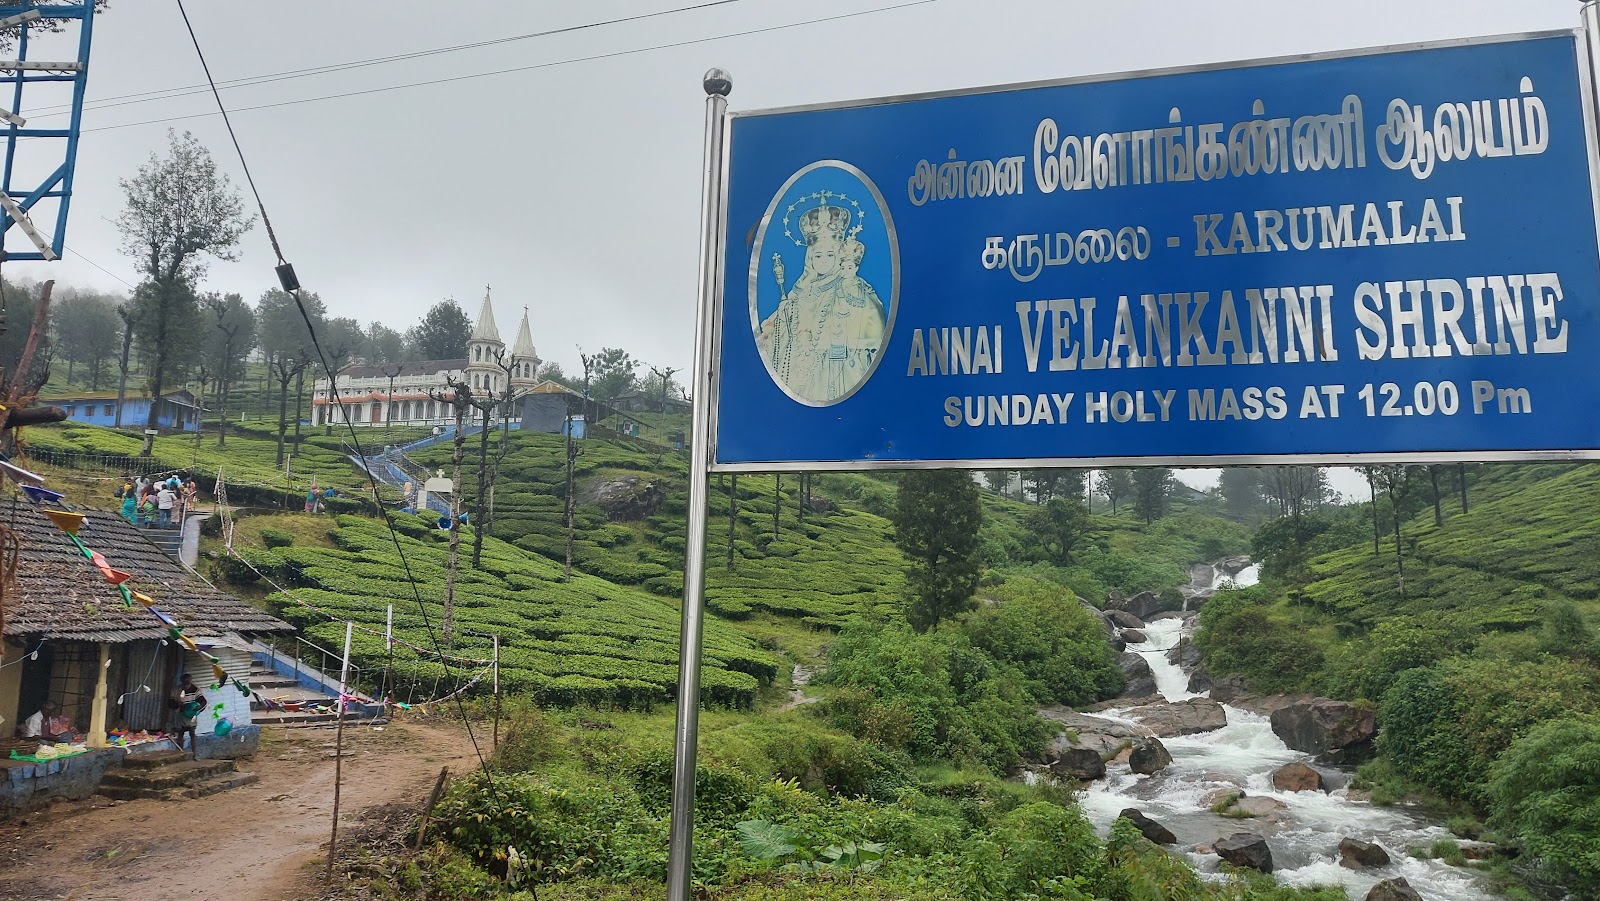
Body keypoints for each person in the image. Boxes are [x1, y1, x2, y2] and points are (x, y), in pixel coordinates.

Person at [758, 203, 886, 404]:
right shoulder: (800, 291)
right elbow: (772, 332)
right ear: (810, 258)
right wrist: (781, 319)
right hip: (799, 376)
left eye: (830, 255)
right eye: (818, 255)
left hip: (836, 374)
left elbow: (871, 319)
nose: (824, 261)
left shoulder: (851, 287)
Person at [171, 675, 206, 754]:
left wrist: (198, 708)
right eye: (185, 683)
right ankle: (181, 754)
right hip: (181, 714)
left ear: (190, 681)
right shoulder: (177, 690)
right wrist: (177, 704)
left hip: (191, 715)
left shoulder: (195, 690)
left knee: (192, 734)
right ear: (182, 682)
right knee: (180, 734)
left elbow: (203, 702)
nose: (186, 685)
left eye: (188, 683)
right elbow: (170, 703)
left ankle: (194, 754)